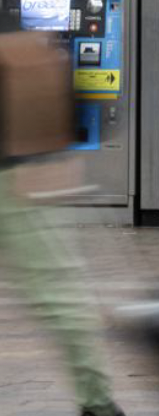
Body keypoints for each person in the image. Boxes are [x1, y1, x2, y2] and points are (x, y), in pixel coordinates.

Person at [0, 25, 127, 416]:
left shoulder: (17, 47)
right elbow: (80, 114)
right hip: (26, 177)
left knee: (60, 297)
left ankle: (99, 403)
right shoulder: (30, 41)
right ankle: (97, 402)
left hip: (15, 179)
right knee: (61, 295)